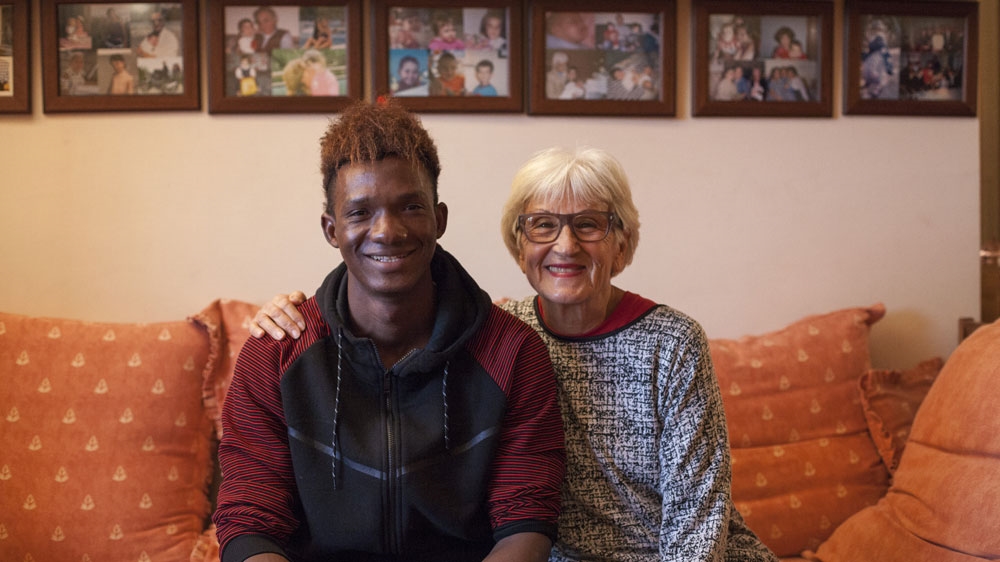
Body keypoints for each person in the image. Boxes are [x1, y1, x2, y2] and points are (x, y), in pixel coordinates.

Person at [252, 146, 779, 562]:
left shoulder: (673, 343)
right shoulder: (502, 338)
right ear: (519, 244)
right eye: (543, 225)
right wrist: (288, 312)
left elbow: (697, 521)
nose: (566, 246)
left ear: (622, 242)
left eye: (590, 224)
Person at [212, 99, 566, 562]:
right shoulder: (276, 352)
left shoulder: (511, 351)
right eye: (360, 213)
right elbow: (248, 520)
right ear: (331, 229)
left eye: (410, 206)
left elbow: (528, 520)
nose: (387, 230)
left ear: (439, 219)